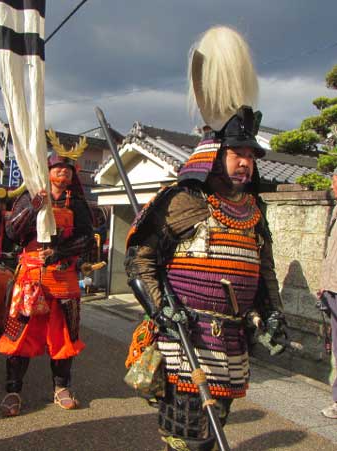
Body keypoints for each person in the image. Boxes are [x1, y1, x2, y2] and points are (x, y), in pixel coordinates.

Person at [124, 26, 286, 450]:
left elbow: (263, 267)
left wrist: (273, 313)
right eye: (238, 154)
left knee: (213, 432)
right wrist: (161, 310)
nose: (246, 163)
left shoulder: (253, 208)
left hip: (231, 341)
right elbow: (140, 260)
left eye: (250, 156)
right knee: (186, 437)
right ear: (214, 154)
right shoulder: (183, 201)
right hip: (186, 338)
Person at [0, 138, 94, 416]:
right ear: (47, 170)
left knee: (64, 337)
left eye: (69, 169)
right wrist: (34, 207)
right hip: (31, 276)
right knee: (19, 335)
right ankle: (13, 390)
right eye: (58, 167)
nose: (64, 172)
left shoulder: (77, 203)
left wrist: (59, 252)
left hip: (64, 278)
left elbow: (88, 239)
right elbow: (12, 233)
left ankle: (61, 387)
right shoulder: (29, 196)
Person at [317, 167, 337, 419]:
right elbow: (331, 253)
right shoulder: (335, 210)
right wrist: (323, 283)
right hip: (332, 288)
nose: (333, 186)